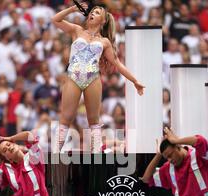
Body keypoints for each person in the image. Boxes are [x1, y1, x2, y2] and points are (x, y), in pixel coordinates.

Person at [51, 4, 144, 153]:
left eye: (97, 12)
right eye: (92, 11)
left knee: (94, 120)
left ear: (103, 21)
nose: (92, 14)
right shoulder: (77, 30)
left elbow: (118, 64)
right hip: (73, 76)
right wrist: (71, 9)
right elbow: (55, 20)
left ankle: (96, 155)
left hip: (92, 78)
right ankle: (55, 155)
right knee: (65, 117)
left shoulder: (105, 42)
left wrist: (135, 81)